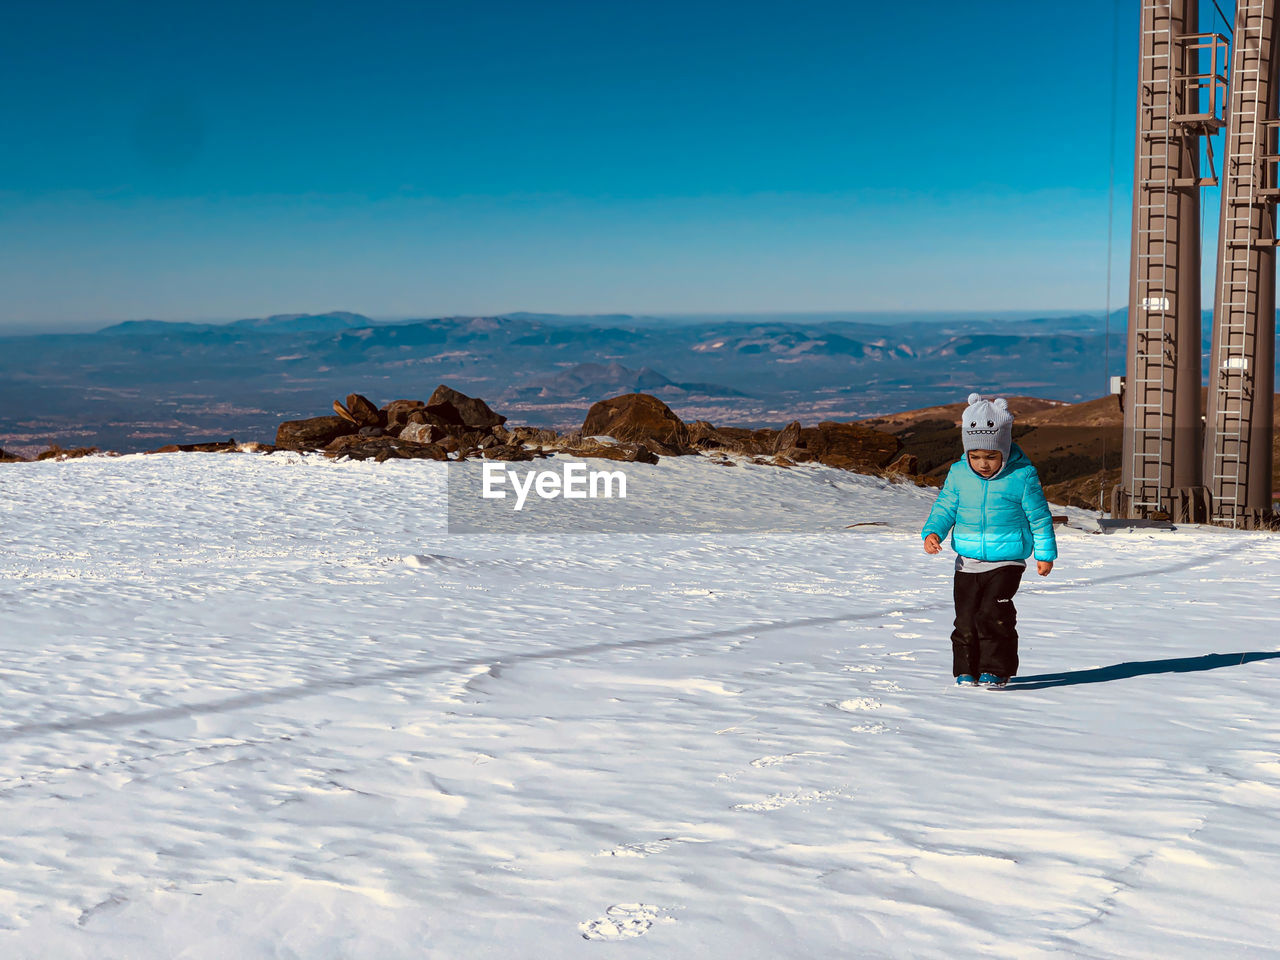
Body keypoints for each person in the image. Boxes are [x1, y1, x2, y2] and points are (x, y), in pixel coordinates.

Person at [919, 392, 1057, 687]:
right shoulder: (958, 474)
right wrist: (933, 532)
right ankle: (966, 670)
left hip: (1007, 560)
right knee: (965, 621)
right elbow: (945, 507)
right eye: (976, 456)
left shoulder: (1022, 476)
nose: (983, 464)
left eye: (991, 457)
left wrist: (1044, 554)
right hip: (967, 562)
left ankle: (996, 669)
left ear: (1004, 452)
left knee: (993, 614)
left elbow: (1040, 517)